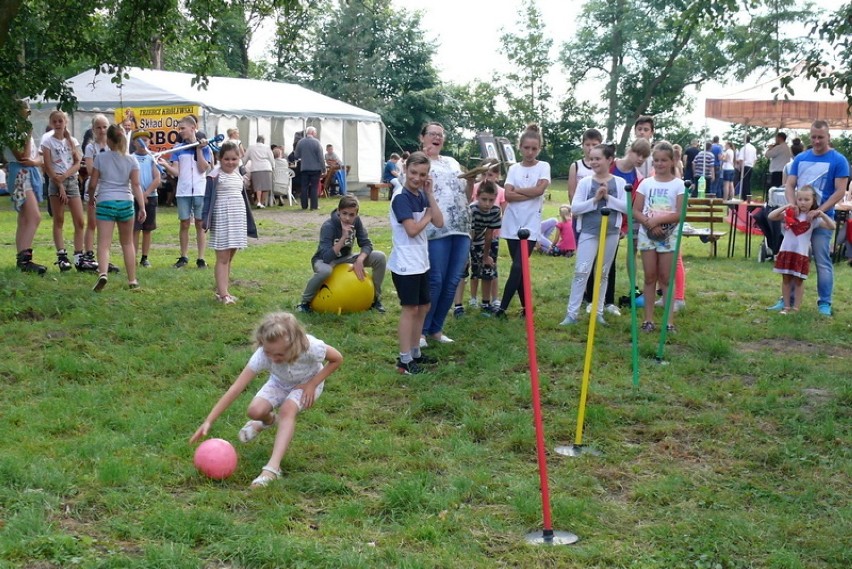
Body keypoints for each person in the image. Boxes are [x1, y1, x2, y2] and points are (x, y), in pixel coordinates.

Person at [190, 312, 343, 488]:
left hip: (307, 383)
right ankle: (267, 422)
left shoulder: (311, 347)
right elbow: (236, 388)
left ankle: (272, 469)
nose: (273, 359)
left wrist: (312, 384)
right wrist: (209, 420)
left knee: (288, 409)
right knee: (254, 411)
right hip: (279, 382)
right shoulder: (264, 353)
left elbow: (337, 359)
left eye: (279, 355)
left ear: (294, 344)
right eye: (268, 353)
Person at [779, 120, 849, 316]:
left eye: (821, 137)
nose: (817, 141)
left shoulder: (838, 160)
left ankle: (824, 302)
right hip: (798, 220)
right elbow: (790, 185)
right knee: (792, 258)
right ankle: (787, 301)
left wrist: (820, 211)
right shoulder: (801, 158)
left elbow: (840, 191)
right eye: (814, 137)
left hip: (822, 219)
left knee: (821, 259)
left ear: (829, 137)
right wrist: (792, 205)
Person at [416, 122, 473, 346]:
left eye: (441, 135)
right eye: (432, 134)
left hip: (461, 226)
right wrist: (422, 158)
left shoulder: (451, 162)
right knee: (436, 281)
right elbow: (410, 186)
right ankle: (421, 330)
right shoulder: (417, 161)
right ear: (422, 137)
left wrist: (470, 181)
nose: (437, 138)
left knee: (452, 281)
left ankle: (437, 329)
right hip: (435, 228)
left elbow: (466, 195)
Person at [388, 151, 443, 375]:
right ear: (405, 170)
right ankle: (404, 360)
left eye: (422, 174)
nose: (417, 178)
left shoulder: (421, 195)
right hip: (405, 262)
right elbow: (411, 230)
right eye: (413, 173)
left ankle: (415, 352)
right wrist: (427, 216)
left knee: (424, 306)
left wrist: (430, 196)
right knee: (410, 309)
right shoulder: (401, 197)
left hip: (420, 261)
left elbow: (439, 222)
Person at [560, 144, 627, 326]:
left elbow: (626, 207)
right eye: (591, 159)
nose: (593, 162)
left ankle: (598, 312)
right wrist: (596, 199)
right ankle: (572, 314)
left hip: (611, 232)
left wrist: (608, 198)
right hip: (589, 232)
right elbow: (575, 207)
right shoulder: (585, 182)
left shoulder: (619, 183)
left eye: (598, 158)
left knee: (603, 272)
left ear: (609, 160)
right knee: (581, 271)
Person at [494, 124, 550, 319]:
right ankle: (527, 309)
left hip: (531, 224)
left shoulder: (543, 167)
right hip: (512, 222)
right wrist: (529, 192)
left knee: (518, 266)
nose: (530, 152)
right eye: (526, 148)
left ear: (539, 149)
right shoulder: (514, 168)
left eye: (534, 148)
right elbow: (508, 196)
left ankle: (502, 309)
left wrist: (519, 191)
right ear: (520, 147)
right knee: (519, 269)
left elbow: (539, 191)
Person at [296, 195, 387, 313]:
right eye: (344, 213)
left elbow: (366, 244)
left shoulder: (357, 222)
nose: (347, 218)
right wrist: (344, 237)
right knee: (325, 271)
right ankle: (305, 303)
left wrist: (360, 259)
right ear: (338, 211)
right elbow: (327, 257)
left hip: (346, 258)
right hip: (324, 260)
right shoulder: (328, 226)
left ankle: (375, 300)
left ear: (356, 214)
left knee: (380, 257)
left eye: (351, 215)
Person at [632, 141, 686, 333]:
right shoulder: (646, 183)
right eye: (656, 160)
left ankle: (669, 321)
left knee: (666, 277)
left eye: (664, 160)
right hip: (647, 234)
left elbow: (680, 213)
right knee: (649, 277)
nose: (660, 164)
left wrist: (659, 221)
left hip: (668, 235)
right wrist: (649, 223)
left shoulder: (678, 185)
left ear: (672, 161)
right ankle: (648, 319)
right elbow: (635, 210)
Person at [88, 125, 147, 292]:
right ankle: (132, 280)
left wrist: (91, 198)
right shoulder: (132, 160)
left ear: (108, 140)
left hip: (105, 201)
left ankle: (103, 273)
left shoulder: (101, 158)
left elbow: (92, 184)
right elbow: (136, 185)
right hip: (126, 203)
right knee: (128, 243)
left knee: (104, 243)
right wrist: (142, 207)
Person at [201, 142, 257, 304]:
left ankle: (224, 290)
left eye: (234, 158)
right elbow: (207, 199)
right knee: (222, 257)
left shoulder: (238, 174)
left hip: (237, 218)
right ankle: (223, 294)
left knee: (230, 256)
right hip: (222, 217)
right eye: (227, 159)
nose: (230, 162)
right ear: (219, 158)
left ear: (239, 158)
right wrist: (205, 219)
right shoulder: (214, 175)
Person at [767, 186, 835, 314]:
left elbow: (832, 226)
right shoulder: (790, 215)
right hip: (787, 252)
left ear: (813, 201)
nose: (803, 202)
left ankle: (796, 308)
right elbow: (771, 216)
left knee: (798, 281)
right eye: (800, 199)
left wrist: (821, 213)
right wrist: (786, 207)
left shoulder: (813, 219)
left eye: (806, 200)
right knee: (786, 279)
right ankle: (786, 306)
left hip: (800, 254)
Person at [158, 115, 211, 269]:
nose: (180, 132)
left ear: (193, 128)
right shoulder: (178, 149)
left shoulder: (204, 147)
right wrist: (165, 165)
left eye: (183, 128)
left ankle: (201, 259)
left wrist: (199, 150)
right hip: (183, 191)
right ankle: (183, 257)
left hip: (200, 190)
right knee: (184, 223)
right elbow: (176, 172)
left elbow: (203, 169)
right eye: (179, 129)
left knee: (200, 224)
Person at [5, 100, 46, 273]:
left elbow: (37, 158)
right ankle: (25, 259)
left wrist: (34, 162)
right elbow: (21, 155)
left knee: (24, 218)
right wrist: (28, 135)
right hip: (21, 174)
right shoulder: (12, 131)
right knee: (34, 216)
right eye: (26, 112)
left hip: (30, 171)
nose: (28, 115)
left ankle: (22, 259)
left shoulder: (22, 130)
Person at [41, 110, 84, 272]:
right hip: (55, 180)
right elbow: (47, 165)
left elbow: (77, 162)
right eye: (55, 121)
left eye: (61, 121)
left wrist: (66, 176)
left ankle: (79, 255)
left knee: (79, 220)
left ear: (65, 122)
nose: (58, 124)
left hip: (71, 180)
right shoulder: (47, 142)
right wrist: (59, 184)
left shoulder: (72, 141)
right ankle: (61, 256)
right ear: (51, 123)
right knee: (59, 220)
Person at [468, 165, 506, 310]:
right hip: (470, 237)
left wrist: (485, 256)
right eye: (484, 200)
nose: (487, 204)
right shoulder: (472, 209)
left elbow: (489, 234)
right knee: (474, 269)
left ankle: (487, 302)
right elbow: (470, 234)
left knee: (488, 268)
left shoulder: (495, 211)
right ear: (477, 197)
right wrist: (466, 254)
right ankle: (472, 299)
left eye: (491, 200)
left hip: (485, 239)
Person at [79, 115, 109, 272]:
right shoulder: (91, 148)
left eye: (105, 127)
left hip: (109, 189)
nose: (102, 130)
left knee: (106, 225)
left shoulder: (113, 146)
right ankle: (89, 254)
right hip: (95, 188)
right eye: (99, 127)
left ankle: (104, 257)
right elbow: (90, 170)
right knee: (92, 223)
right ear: (93, 129)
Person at [129, 130, 161, 268]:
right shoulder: (130, 158)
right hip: (134, 198)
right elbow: (130, 179)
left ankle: (145, 257)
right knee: (135, 229)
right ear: (134, 143)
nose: (143, 143)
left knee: (147, 229)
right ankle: (133, 256)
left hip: (151, 197)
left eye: (146, 140)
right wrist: (139, 195)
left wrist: (146, 193)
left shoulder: (152, 158)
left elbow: (157, 178)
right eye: (140, 140)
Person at [567, 128, 602, 204]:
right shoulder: (575, 166)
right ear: (582, 145)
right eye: (587, 144)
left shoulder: (606, 166)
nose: (590, 148)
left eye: (594, 145)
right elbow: (571, 193)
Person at [294, 126, 324, 210]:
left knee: (304, 187)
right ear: (313, 133)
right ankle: (314, 206)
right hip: (315, 168)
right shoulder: (317, 143)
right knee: (314, 187)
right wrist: (323, 168)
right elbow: (321, 157)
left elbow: (296, 155)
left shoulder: (300, 142)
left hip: (304, 168)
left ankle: (304, 205)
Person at [244, 135, 275, 208]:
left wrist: (243, 165)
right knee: (266, 187)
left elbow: (245, 158)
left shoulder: (251, 147)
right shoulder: (267, 147)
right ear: (263, 141)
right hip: (266, 168)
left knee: (258, 187)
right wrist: (273, 167)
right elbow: (271, 158)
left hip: (255, 168)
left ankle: (258, 201)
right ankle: (262, 202)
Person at [736, 135, 757, 200]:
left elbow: (741, 159)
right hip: (750, 166)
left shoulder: (743, 148)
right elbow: (755, 159)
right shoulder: (753, 148)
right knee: (747, 182)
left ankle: (744, 197)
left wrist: (740, 168)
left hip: (744, 166)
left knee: (744, 183)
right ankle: (748, 196)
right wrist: (752, 165)